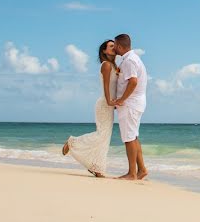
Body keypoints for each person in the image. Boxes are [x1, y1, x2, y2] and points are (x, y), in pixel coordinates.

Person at [61, 40, 118, 177]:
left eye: (114, 46)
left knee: (105, 136)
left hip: (109, 103)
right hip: (104, 103)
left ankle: (97, 167)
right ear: (104, 51)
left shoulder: (114, 66)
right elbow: (105, 86)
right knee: (101, 134)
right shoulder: (106, 65)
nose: (114, 48)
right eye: (111, 46)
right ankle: (73, 142)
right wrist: (110, 100)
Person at [111, 33, 148, 180]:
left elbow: (133, 81)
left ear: (120, 46)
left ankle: (132, 173)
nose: (114, 48)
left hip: (131, 104)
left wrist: (121, 100)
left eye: (114, 45)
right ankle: (142, 170)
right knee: (133, 137)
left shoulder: (129, 61)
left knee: (129, 138)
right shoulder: (131, 59)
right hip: (134, 103)